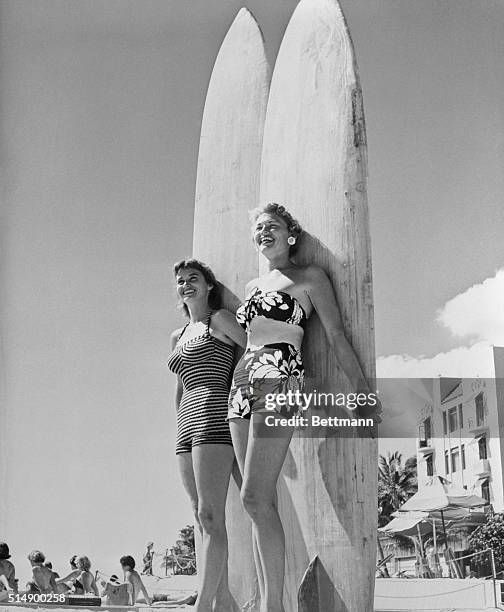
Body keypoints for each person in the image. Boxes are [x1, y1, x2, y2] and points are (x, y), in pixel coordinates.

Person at [228, 203, 381, 612]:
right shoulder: (250, 286)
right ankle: (268, 601)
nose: (264, 232)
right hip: (241, 384)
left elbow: (335, 335)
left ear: (290, 234)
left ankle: (271, 607)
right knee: (256, 503)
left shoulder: (311, 277)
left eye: (272, 226)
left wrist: (363, 395)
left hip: (281, 378)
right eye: (258, 228)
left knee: (254, 497)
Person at [166, 259, 246, 612]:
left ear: (209, 285)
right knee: (200, 515)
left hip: (215, 417)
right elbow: (180, 387)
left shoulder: (220, 320)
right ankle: (224, 599)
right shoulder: (178, 335)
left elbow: (251, 352)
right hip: (186, 426)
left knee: (212, 516)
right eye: (181, 281)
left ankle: (204, 604)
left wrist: (239, 397)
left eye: (193, 279)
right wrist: (177, 422)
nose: (186, 285)